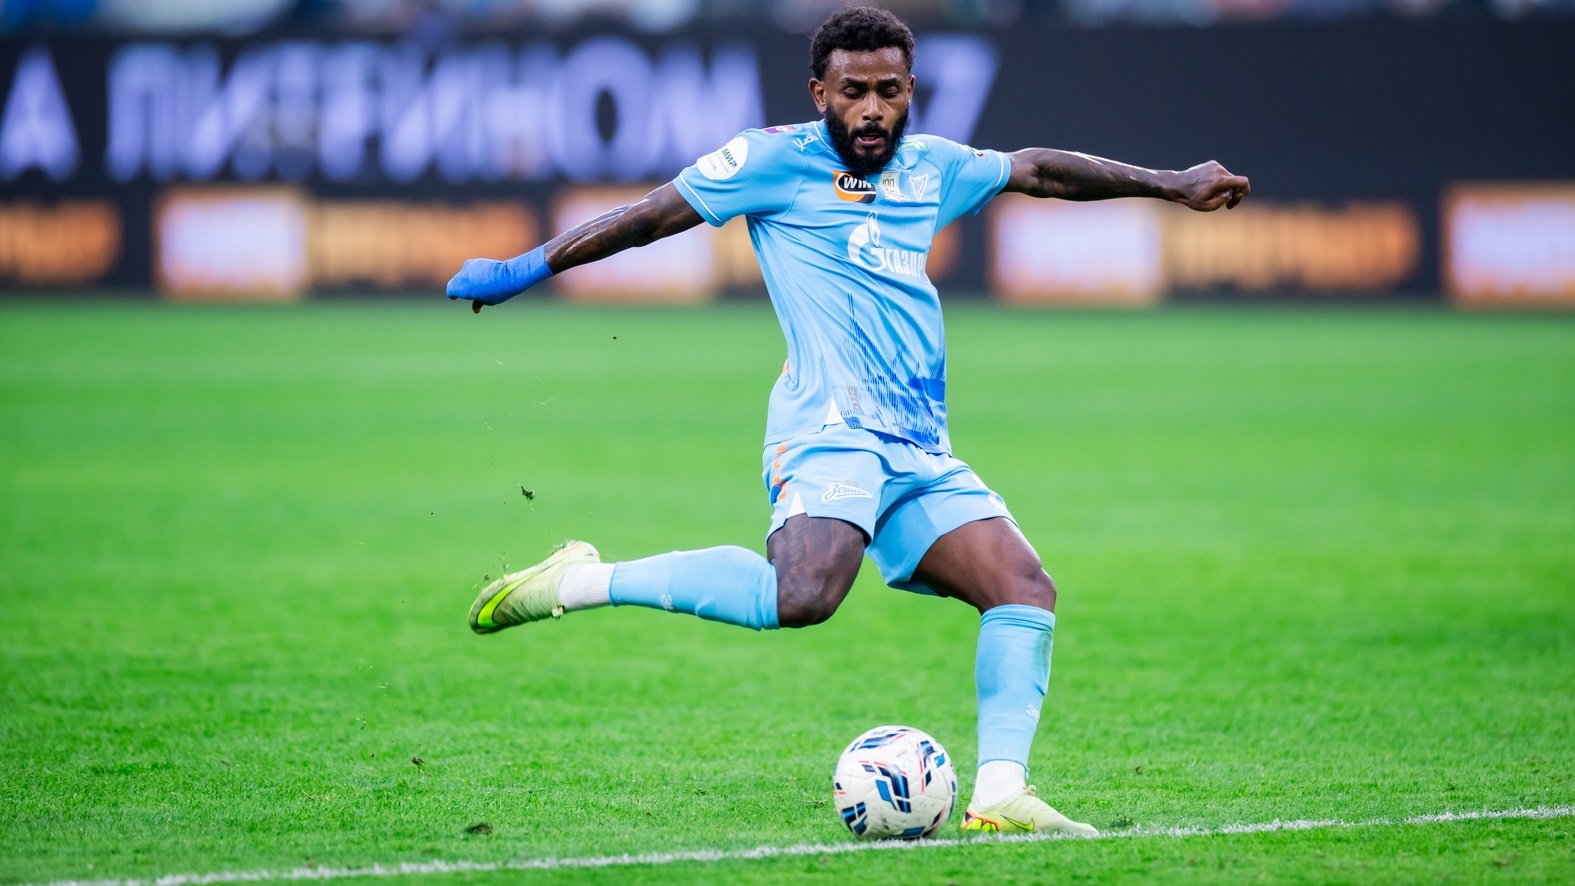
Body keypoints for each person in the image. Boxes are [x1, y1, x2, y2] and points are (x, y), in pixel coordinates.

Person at [446, 5, 1249, 837]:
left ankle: (1000, 792)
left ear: (910, 91)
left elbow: (1037, 171)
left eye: (889, 92)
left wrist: (1169, 183)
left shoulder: (932, 168)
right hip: (828, 427)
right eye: (853, 92)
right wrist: (527, 267)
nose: (872, 110)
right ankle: (576, 581)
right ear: (818, 93)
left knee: (1022, 588)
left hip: (917, 444)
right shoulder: (771, 160)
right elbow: (650, 216)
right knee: (802, 596)